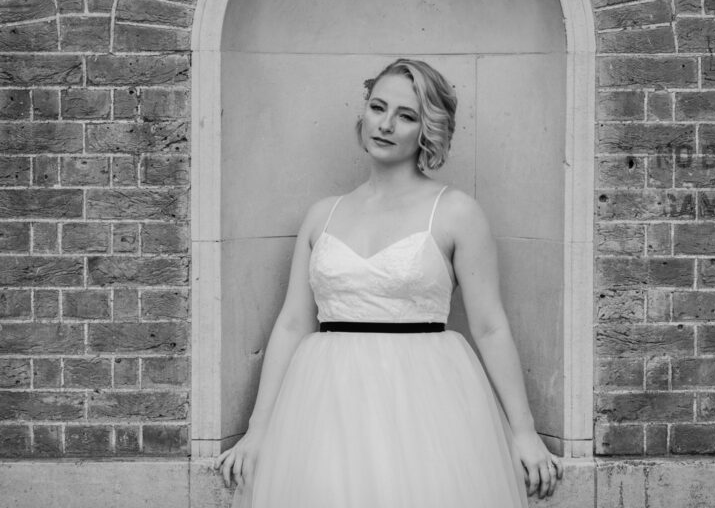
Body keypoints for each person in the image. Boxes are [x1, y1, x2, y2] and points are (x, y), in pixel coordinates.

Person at [214, 58, 563, 508]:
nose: (386, 124)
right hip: (324, 406)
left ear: (427, 129)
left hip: (426, 405)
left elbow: (491, 326)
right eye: (378, 108)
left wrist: (523, 432)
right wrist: (258, 432)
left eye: (406, 115)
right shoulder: (323, 214)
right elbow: (292, 324)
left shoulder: (457, 212)